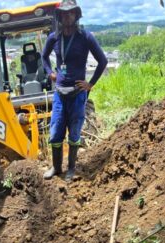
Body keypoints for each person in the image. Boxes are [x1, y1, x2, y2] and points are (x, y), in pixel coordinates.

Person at [41, 0, 108, 182]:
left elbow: (102, 61)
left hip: (77, 95)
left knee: (74, 133)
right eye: (64, 13)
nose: (67, 16)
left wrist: (90, 84)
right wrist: (49, 73)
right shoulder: (54, 38)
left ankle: (71, 169)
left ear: (76, 15)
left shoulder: (85, 37)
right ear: (60, 17)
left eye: (71, 13)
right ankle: (56, 167)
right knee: (55, 133)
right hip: (59, 94)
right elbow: (44, 57)